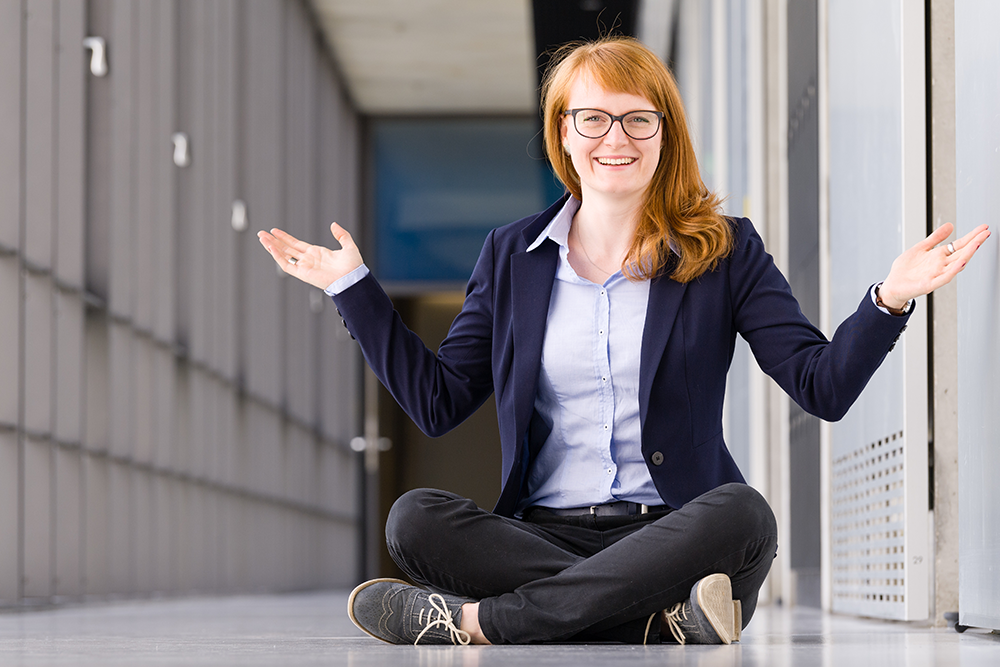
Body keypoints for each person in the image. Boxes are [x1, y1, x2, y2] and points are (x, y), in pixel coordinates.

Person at [258, 36, 989, 646]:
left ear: (664, 132)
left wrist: (889, 299)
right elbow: (440, 402)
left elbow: (819, 385)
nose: (617, 139)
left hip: (679, 534)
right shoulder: (511, 256)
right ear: (563, 134)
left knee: (743, 514)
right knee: (413, 519)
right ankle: (651, 619)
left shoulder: (725, 250)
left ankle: (484, 623)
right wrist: (353, 287)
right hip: (539, 538)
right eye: (594, 120)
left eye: (638, 119)